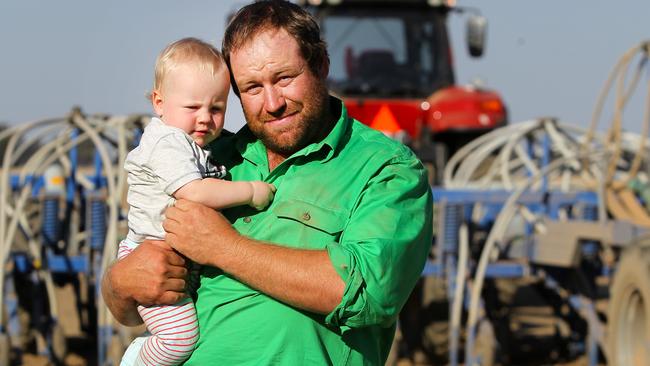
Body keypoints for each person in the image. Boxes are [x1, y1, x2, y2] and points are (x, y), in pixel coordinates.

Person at [102, 1, 433, 364]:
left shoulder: (385, 169)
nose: (272, 103)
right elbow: (131, 306)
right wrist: (120, 283)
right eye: (252, 88)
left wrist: (222, 246)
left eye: (284, 78)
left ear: (321, 65)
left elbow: (370, 294)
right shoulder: (210, 159)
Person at [117, 37, 276, 366]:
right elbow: (195, 191)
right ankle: (136, 360)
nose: (205, 118)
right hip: (152, 254)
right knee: (178, 339)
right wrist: (251, 192)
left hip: (173, 258)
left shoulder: (192, 144)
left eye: (216, 108)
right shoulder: (168, 142)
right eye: (193, 108)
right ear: (159, 102)